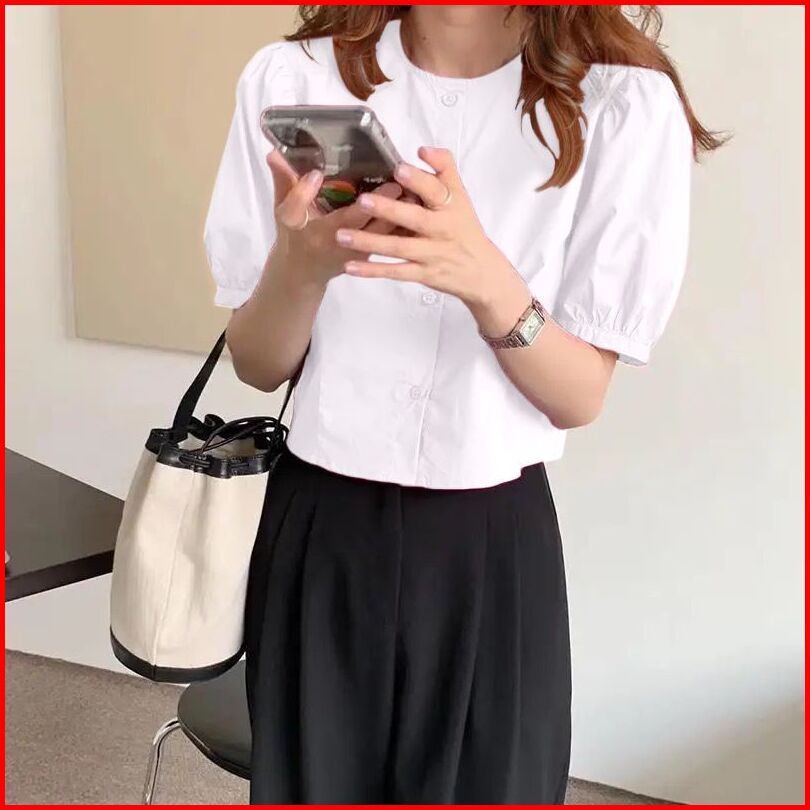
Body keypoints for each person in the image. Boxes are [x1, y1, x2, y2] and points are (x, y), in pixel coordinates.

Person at [203, 5, 722, 804]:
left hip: (490, 542)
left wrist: (487, 283)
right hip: (319, 528)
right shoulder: (296, 78)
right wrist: (302, 268)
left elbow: (578, 396)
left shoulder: (622, 102)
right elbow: (258, 363)